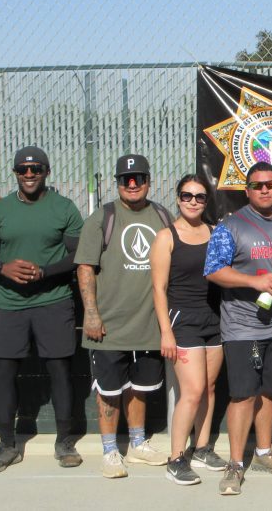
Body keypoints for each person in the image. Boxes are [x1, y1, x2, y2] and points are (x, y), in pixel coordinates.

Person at [0, 146, 84, 473]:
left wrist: (45, 272)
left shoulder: (64, 208)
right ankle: (7, 444)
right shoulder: (1, 209)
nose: (29, 174)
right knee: (4, 372)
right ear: (15, 173)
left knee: (60, 371)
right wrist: (2, 267)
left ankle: (64, 442)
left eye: (35, 168)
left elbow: (77, 256)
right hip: (10, 303)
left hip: (53, 301)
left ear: (46, 171)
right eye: (22, 170)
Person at [203, 161, 272, 495]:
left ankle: (264, 452)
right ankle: (234, 464)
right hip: (245, 327)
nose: (264, 190)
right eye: (257, 185)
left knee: (270, 390)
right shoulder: (231, 225)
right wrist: (252, 281)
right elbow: (213, 270)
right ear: (247, 190)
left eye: (270, 184)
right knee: (244, 393)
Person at [74, 155, 170, 478]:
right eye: (126, 179)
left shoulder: (161, 215)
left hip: (148, 325)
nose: (132, 184)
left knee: (139, 387)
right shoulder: (102, 218)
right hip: (109, 326)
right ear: (117, 182)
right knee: (109, 391)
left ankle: (138, 442)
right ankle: (110, 450)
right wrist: (91, 314)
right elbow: (85, 267)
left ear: (148, 181)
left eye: (138, 178)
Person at [150, 174, 227, 485]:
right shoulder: (166, 237)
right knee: (192, 391)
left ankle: (202, 447)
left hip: (214, 320)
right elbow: (158, 289)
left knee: (208, 388)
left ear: (206, 201)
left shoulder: (215, 232)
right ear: (178, 199)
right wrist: (166, 332)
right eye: (186, 196)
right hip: (183, 322)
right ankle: (176, 457)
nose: (193, 201)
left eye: (199, 197)